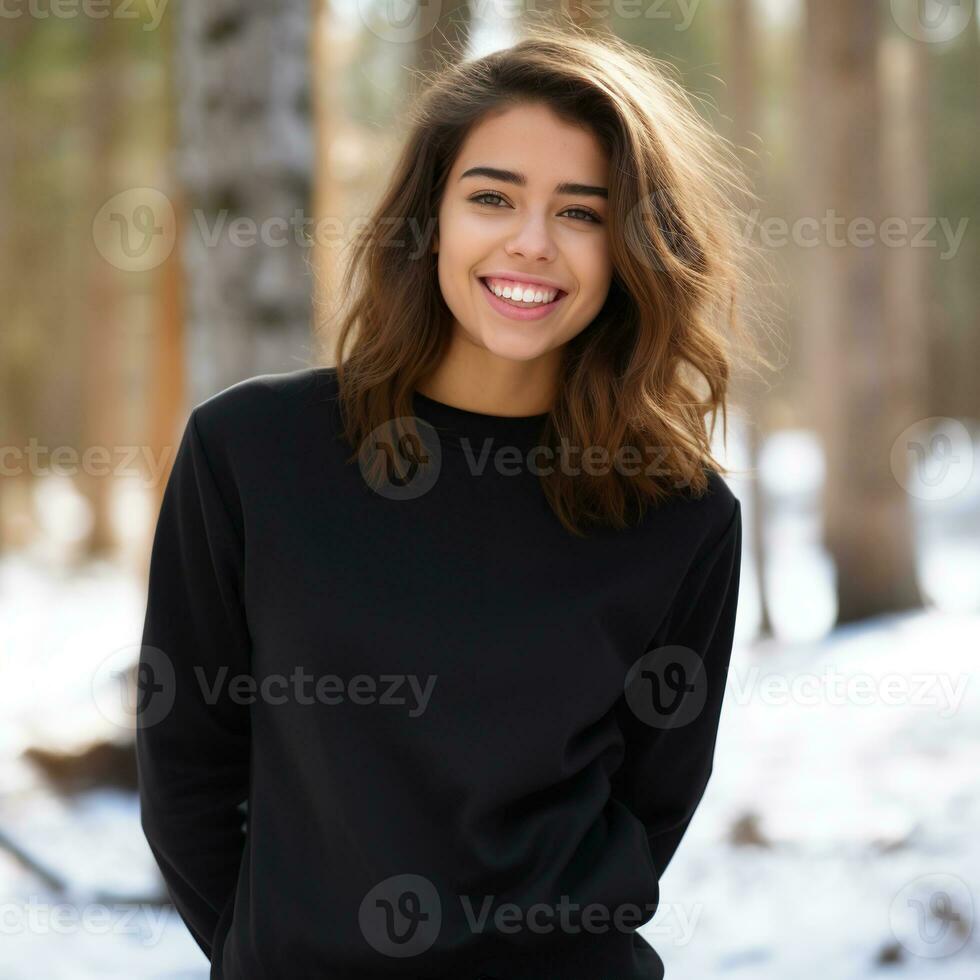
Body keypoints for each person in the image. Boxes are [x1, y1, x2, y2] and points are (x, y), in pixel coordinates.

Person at [136, 17, 769, 980]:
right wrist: (261, 951)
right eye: (493, 197)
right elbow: (187, 760)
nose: (532, 244)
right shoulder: (250, 455)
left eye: (582, 212)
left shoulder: (680, 514)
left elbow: (654, 799)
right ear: (430, 215)